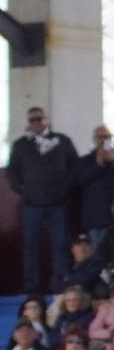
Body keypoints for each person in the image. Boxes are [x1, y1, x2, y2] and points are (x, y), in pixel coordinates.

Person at [6, 106, 77, 293]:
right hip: (31, 205)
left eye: (39, 118)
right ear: (28, 123)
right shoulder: (21, 145)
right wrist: (22, 189)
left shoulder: (62, 141)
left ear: (46, 119)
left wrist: (64, 187)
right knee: (31, 247)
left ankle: (60, 286)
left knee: (60, 246)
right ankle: (31, 288)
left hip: (58, 203)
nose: (36, 123)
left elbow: (74, 166)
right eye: (32, 120)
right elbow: (12, 171)